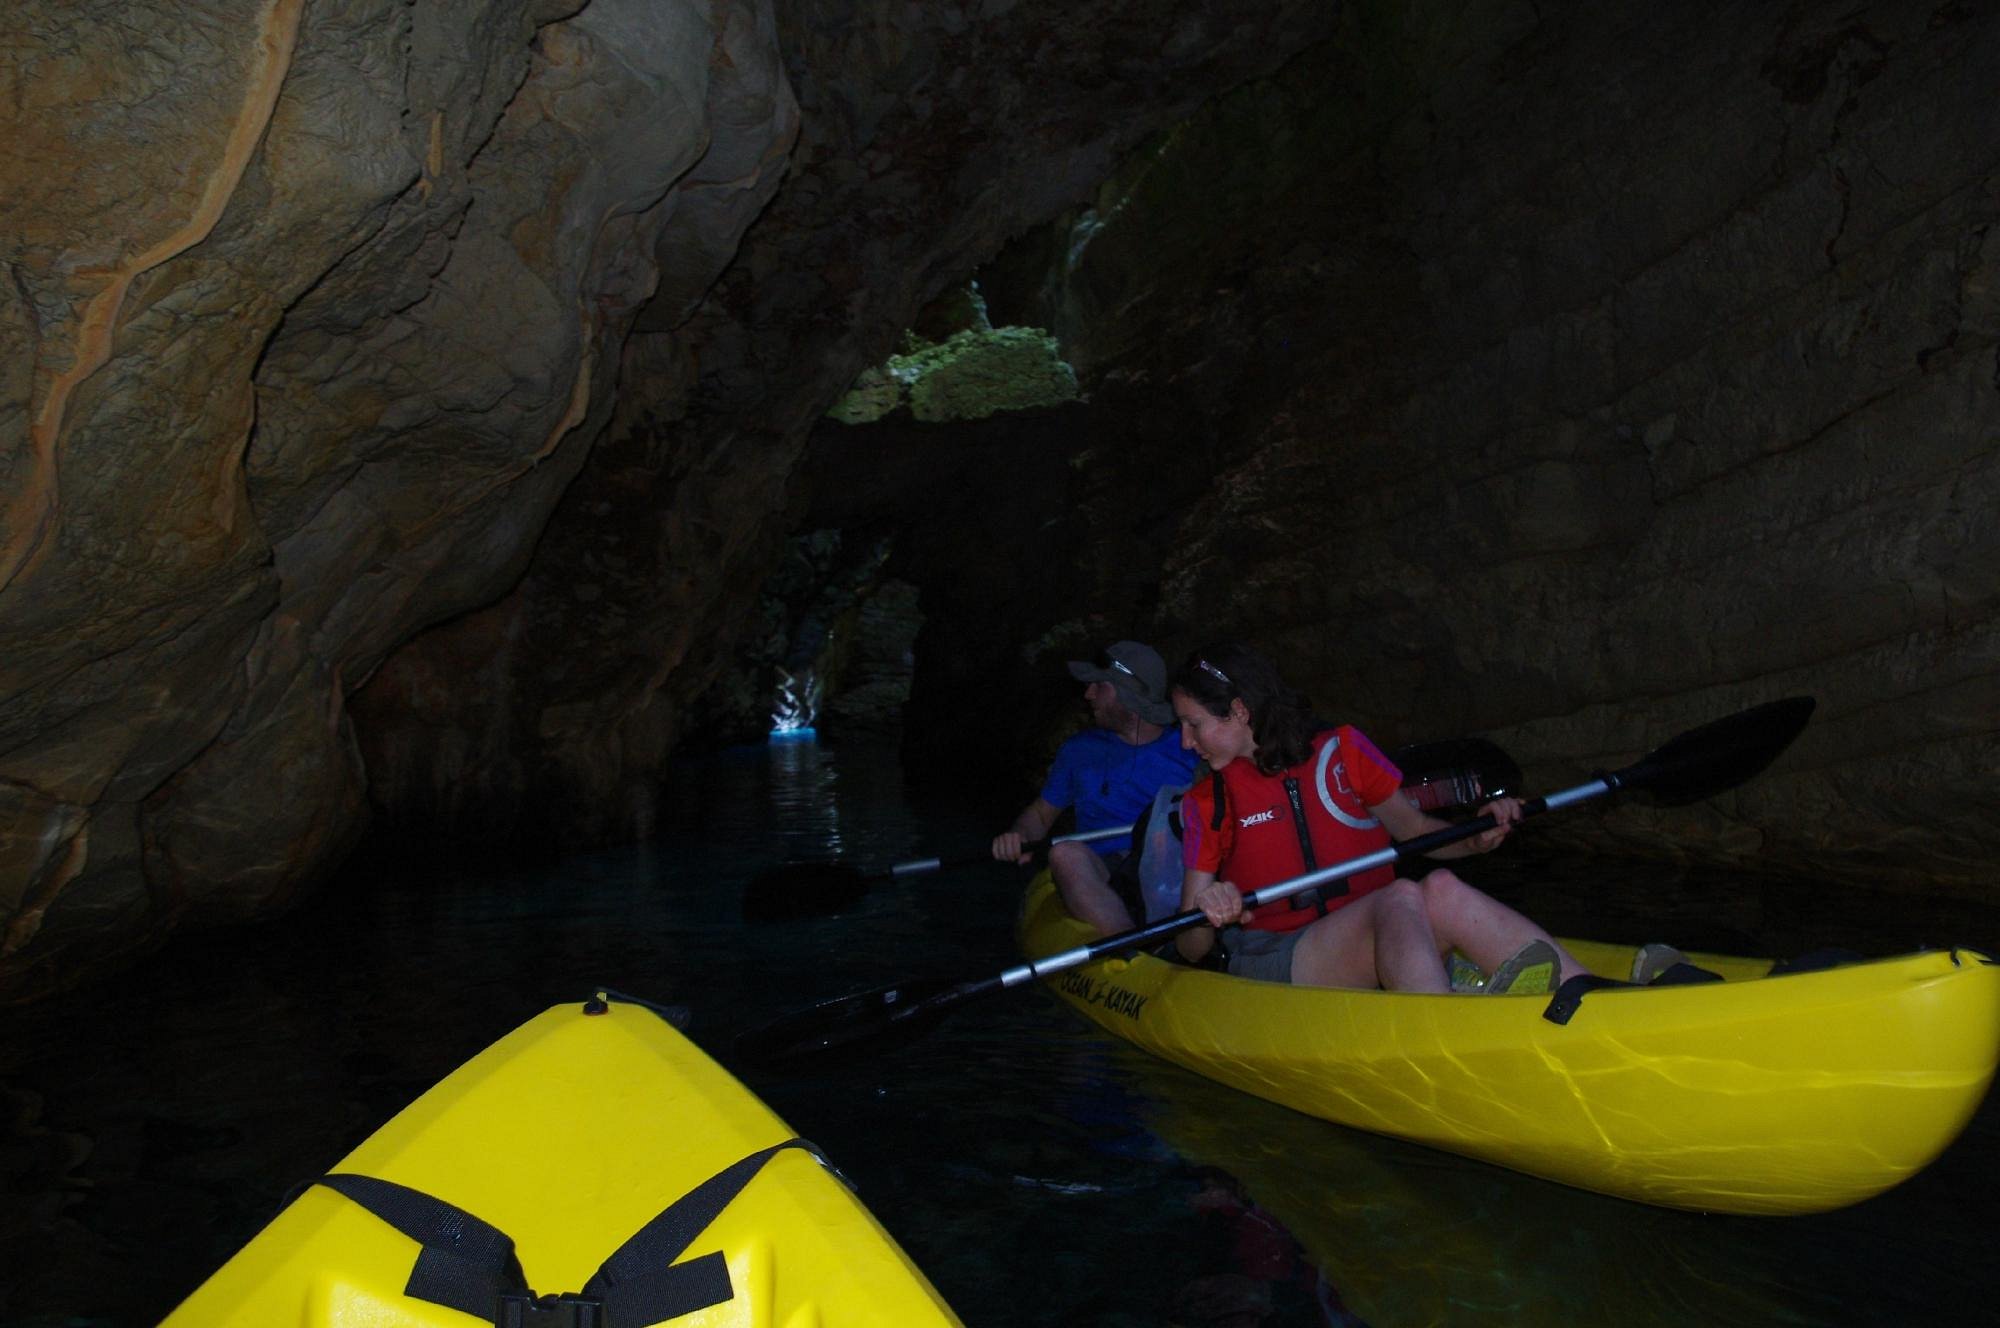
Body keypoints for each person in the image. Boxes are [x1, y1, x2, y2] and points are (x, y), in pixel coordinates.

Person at [1168, 642, 1583, 994]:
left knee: (1440, 888)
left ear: (1239, 711)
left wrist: (1475, 840)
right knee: (1401, 895)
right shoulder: (1208, 802)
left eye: (1193, 724)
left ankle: (1586, 989)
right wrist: (1209, 909)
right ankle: (1441, 1025)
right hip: (1277, 957)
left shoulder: (1344, 752)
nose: (1186, 742)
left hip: (1384, 931)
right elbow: (1191, 947)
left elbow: (1416, 831)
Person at [992, 640, 1199, 934]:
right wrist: (1019, 835)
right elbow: (1040, 815)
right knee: (1064, 854)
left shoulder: (1190, 750)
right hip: (1103, 871)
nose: (1088, 694)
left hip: (1172, 866)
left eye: (1099, 686)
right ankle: (1130, 947)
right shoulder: (1079, 751)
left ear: (1129, 695)